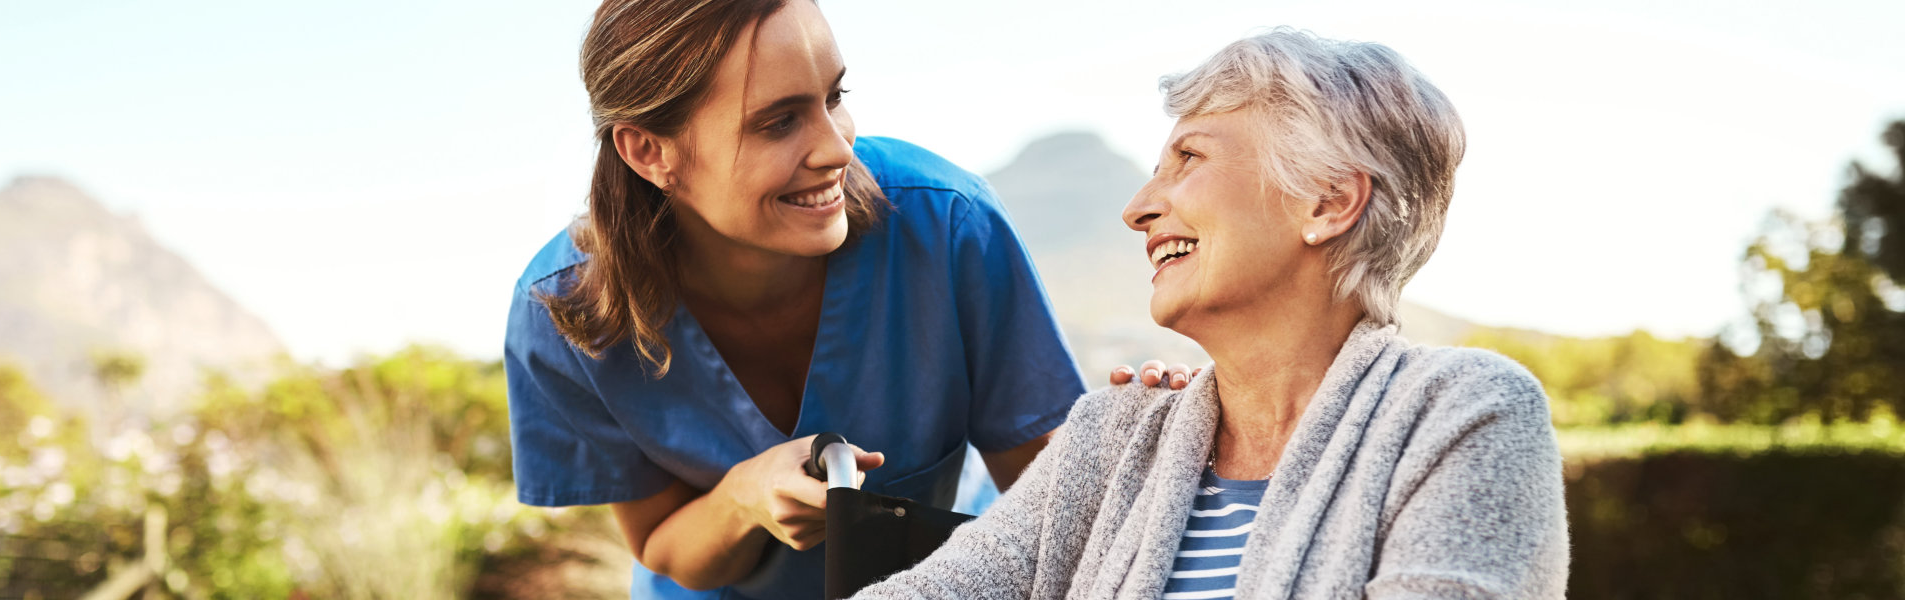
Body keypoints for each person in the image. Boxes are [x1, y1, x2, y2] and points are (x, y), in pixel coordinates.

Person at [851, 28, 1570, 599]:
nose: (1137, 209)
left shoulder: (1465, 413)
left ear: (1327, 202)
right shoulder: (1114, 436)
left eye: (1188, 159)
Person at [502, 1, 1183, 598]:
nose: (836, 149)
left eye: (834, 97)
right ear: (650, 151)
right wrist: (744, 499)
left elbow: (1057, 509)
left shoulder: (948, 224)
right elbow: (661, 546)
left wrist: (1152, 437)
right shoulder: (564, 316)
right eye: (778, 123)